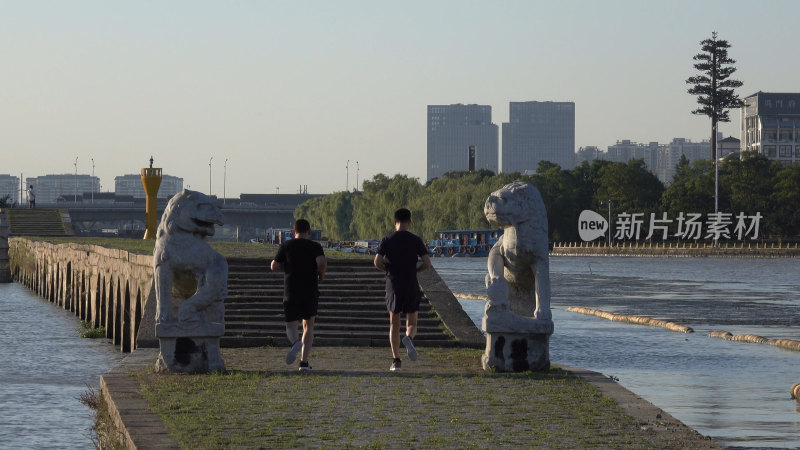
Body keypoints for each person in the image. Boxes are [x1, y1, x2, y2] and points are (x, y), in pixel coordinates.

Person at [373, 208, 432, 371]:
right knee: (412, 322)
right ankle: (409, 338)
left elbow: (376, 261)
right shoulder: (415, 240)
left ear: (394, 221)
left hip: (393, 284)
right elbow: (427, 263)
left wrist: (387, 270)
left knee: (394, 324)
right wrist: (416, 270)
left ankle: (396, 360)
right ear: (409, 222)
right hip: (411, 282)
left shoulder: (387, 240)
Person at [270, 219, 327, 371]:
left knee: (291, 325)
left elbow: (273, 266)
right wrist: (321, 274)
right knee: (308, 326)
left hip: (291, 290)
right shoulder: (315, 246)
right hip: (310, 290)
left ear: (293, 232)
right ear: (309, 232)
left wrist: (287, 267)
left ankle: (295, 342)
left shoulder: (286, 245)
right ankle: (304, 363)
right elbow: (321, 261)